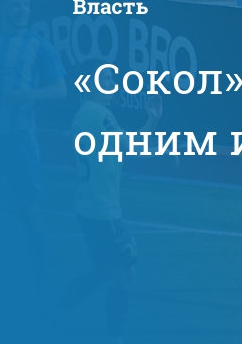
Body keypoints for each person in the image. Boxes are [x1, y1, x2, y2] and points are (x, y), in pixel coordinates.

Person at [59, 60, 165, 344]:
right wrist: (164, 151)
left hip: (88, 206)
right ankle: (112, 336)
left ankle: (57, 311)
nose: (113, 83)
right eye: (106, 78)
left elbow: (124, 146)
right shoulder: (100, 115)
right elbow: (130, 147)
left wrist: (152, 120)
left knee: (105, 271)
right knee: (126, 274)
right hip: (103, 211)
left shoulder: (85, 114)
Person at [0, 0, 66, 338]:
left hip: (20, 140)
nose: (22, 10)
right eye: (15, 5)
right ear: (2, 9)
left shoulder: (39, 46)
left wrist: (26, 94)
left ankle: (42, 283)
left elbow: (61, 90)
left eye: (25, 4)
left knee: (28, 209)